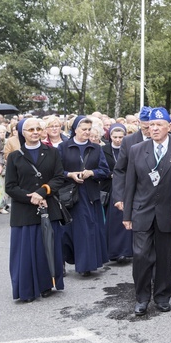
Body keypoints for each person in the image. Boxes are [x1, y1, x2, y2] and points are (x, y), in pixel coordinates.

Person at [123, 107, 171, 316]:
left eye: (159, 125)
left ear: (169, 127)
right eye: (151, 125)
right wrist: (127, 215)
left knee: (164, 257)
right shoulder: (137, 149)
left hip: (169, 213)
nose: (154, 129)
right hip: (142, 212)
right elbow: (130, 183)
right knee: (141, 256)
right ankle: (141, 297)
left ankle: (162, 296)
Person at [5, 118, 67, 302]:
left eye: (38, 128)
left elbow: (58, 178)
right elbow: (10, 186)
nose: (34, 131)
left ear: (43, 131)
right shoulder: (15, 157)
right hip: (24, 211)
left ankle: (47, 284)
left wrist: (41, 193)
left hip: (48, 207)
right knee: (25, 252)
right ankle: (26, 289)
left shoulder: (53, 152)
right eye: (30, 129)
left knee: (47, 249)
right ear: (22, 133)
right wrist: (31, 197)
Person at [58, 116, 111, 276]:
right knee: (69, 231)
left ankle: (85, 266)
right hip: (71, 195)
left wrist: (92, 173)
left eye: (89, 129)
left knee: (88, 231)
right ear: (75, 129)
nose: (87, 132)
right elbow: (57, 171)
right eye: (84, 129)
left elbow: (105, 171)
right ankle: (68, 261)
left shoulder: (96, 148)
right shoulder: (63, 147)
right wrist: (71, 174)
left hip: (90, 194)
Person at [104, 124, 133, 263]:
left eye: (121, 137)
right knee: (115, 222)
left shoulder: (130, 148)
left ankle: (127, 251)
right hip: (112, 189)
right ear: (110, 137)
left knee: (127, 220)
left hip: (128, 187)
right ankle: (114, 251)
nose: (118, 140)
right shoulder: (104, 150)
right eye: (115, 137)